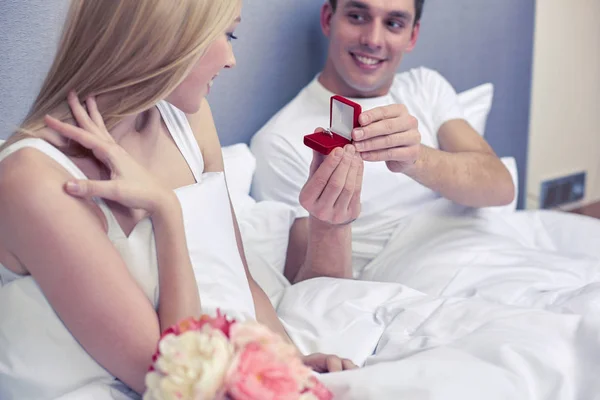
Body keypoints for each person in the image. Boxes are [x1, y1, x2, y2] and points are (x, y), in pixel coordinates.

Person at [0, 1, 356, 398]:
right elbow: (172, 380)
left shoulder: (189, 116)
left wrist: (287, 365)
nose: (232, 59)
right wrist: (167, 212)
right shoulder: (34, 182)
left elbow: (240, 281)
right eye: (224, 35)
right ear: (161, 36)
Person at [250, 0, 515, 283]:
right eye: (357, 17)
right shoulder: (280, 141)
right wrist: (332, 224)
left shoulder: (425, 88)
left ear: (412, 35)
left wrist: (416, 159)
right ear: (328, 19)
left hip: (488, 259)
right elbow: (312, 290)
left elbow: (501, 188)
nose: (373, 40)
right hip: (411, 283)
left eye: (393, 23)